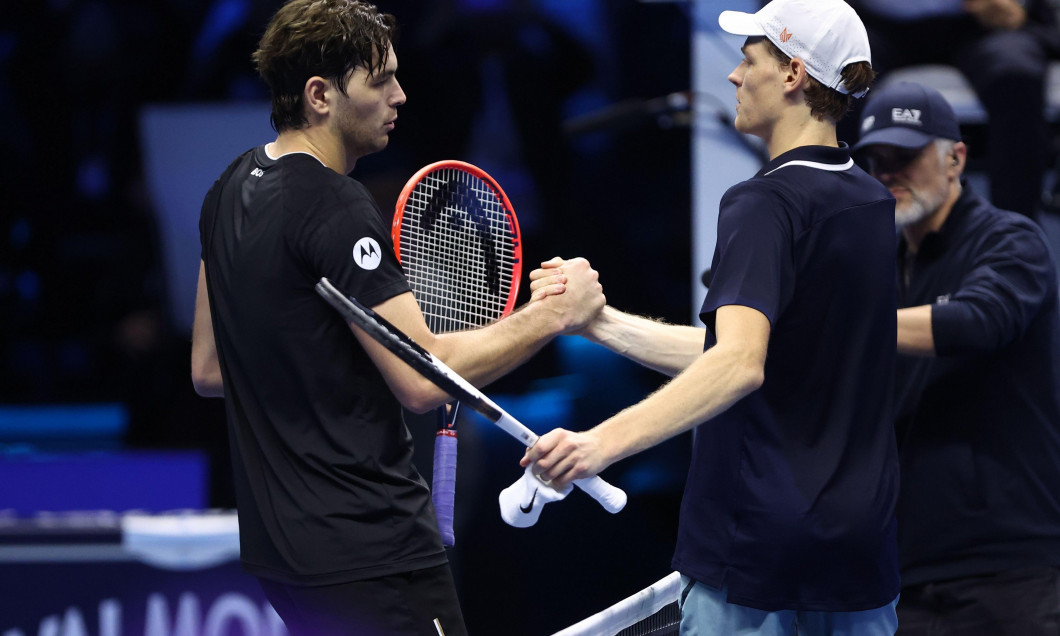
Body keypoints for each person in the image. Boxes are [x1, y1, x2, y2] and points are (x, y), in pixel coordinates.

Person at [189, 1, 605, 634]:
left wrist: (343, 350)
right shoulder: (336, 204)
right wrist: (551, 315)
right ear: (320, 94)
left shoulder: (228, 187)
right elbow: (422, 380)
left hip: (281, 555)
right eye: (380, 79)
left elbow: (212, 367)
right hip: (371, 551)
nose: (400, 95)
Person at [523, 0, 901, 633]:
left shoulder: (763, 203)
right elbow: (759, 352)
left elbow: (738, 363)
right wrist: (599, 321)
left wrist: (598, 444)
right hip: (859, 556)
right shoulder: (870, 201)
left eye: (749, 59)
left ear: (792, 75)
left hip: (757, 558)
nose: (733, 75)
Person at [853, 81, 1060, 636]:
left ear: (955, 158)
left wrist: (845, 327)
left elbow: (980, 319)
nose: (889, 171)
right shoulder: (873, 268)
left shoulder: (1011, 241)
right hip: (902, 570)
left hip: (1008, 566)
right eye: (876, 160)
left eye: (907, 156)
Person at [844, 0, 1060, 220]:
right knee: (836, 78)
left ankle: (1016, 236)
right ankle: (846, 229)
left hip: (978, 22)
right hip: (874, 20)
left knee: (1016, 76)